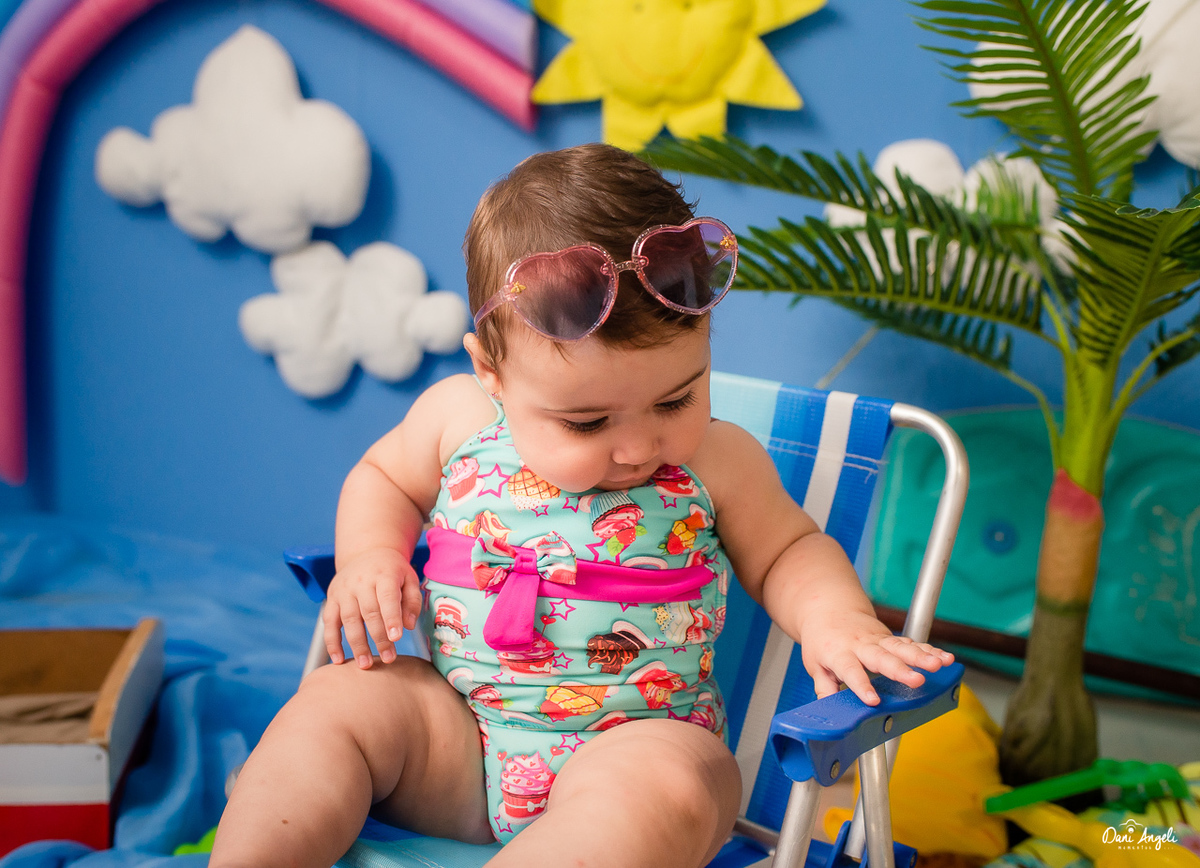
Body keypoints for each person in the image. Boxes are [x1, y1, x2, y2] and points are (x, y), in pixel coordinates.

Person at [209, 143, 954, 868]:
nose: (637, 447)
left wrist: (837, 621)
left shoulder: (717, 461)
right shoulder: (456, 420)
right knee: (337, 704)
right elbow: (384, 479)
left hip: (639, 743)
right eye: (587, 422)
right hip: (458, 738)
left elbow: (789, 550)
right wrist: (372, 555)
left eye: (676, 399)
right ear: (492, 373)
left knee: (669, 787)